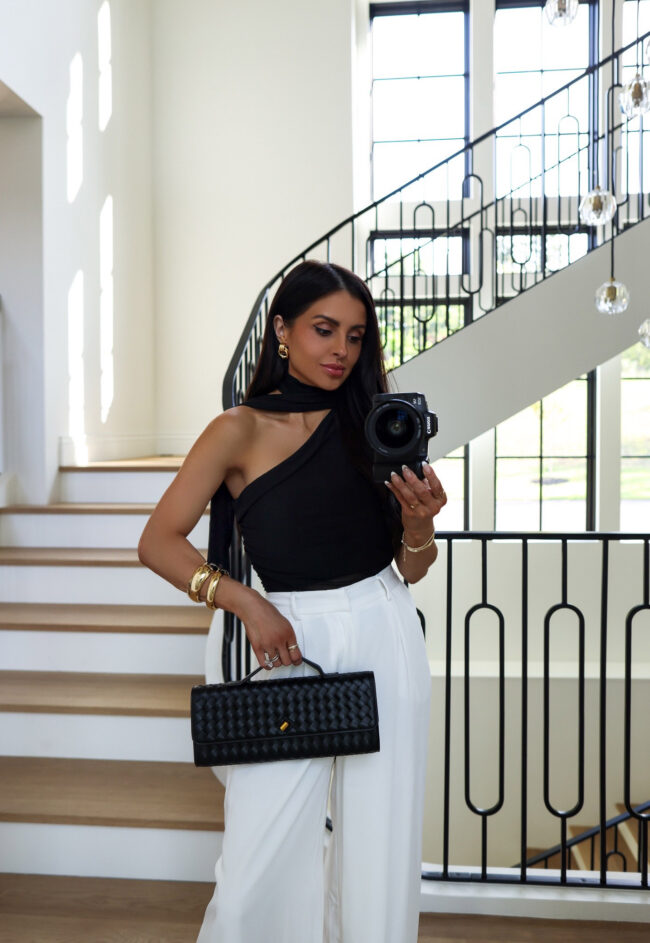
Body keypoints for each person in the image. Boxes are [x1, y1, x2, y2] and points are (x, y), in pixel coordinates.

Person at [137, 259, 446, 943]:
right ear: (282, 329)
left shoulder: (374, 424)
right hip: (286, 640)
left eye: (356, 336)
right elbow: (159, 541)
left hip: (383, 624)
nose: (342, 350)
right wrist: (245, 601)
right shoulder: (237, 430)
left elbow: (410, 569)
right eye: (323, 329)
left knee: (381, 844)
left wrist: (420, 527)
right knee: (256, 862)